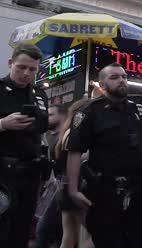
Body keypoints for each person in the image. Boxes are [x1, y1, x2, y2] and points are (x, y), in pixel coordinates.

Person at [66, 63, 142, 248]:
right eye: (114, 77)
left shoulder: (141, 105)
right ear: (102, 84)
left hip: (141, 189)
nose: (121, 80)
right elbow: (74, 152)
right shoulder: (89, 112)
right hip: (106, 192)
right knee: (109, 241)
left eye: (124, 76)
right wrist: (73, 190)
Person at [0, 43, 49, 248]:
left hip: (29, 174)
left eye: (32, 69)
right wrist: (2, 124)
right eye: (21, 67)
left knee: (21, 232)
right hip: (2, 171)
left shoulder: (39, 94)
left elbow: (42, 129)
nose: (26, 73)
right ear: (11, 63)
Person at [52, 98, 93, 248]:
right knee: (93, 235)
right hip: (78, 187)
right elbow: (80, 157)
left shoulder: (66, 132)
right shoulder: (77, 133)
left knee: (69, 236)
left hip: (65, 188)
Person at [34, 104, 69, 248]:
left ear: (62, 116)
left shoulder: (68, 135)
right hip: (48, 185)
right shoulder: (46, 135)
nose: (47, 118)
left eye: (51, 115)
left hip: (63, 183)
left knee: (44, 229)